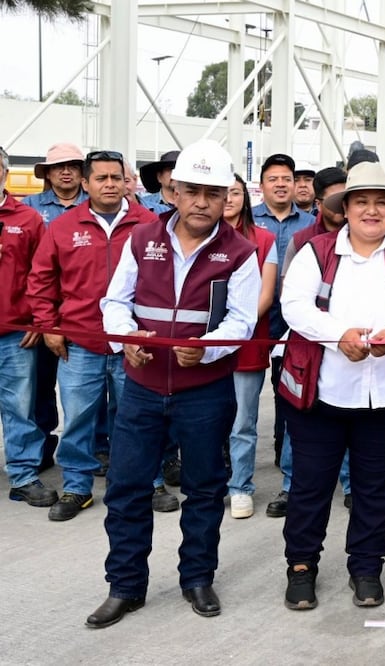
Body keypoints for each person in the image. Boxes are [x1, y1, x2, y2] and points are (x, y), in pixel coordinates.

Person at [87, 140, 260, 628]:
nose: (202, 202)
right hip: (141, 388)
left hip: (205, 391)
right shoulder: (142, 239)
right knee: (126, 488)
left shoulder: (240, 252)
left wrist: (207, 348)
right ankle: (125, 586)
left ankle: (197, 578)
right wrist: (127, 340)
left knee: (204, 489)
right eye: (193, 191)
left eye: (214, 193)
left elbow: (243, 321)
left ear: (227, 197)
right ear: (174, 191)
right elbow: (115, 302)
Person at [277, 162, 385, 611]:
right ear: (345, 208)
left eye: (381, 203)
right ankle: (301, 566)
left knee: (376, 487)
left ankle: (366, 567)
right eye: (362, 202)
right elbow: (294, 305)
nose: (372, 210)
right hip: (321, 394)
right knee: (311, 486)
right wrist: (338, 336)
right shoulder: (315, 251)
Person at [28, 149, 168, 522]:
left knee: (138, 418)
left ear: (126, 182)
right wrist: (48, 326)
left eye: (116, 177)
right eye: (101, 178)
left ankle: (149, 483)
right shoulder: (63, 227)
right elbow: (41, 279)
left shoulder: (149, 224)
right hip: (80, 343)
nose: (110, 184)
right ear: (86, 183)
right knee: (77, 419)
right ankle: (77, 487)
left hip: (134, 344)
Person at [271, 166, 353, 516]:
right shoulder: (303, 241)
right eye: (335, 199)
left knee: (351, 416)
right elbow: (291, 296)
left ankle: (351, 485)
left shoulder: (370, 238)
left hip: (354, 346)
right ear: (319, 203)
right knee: (300, 417)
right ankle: (292, 486)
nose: (343, 206)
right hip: (307, 345)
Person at [252, 153, 316, 514]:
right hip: (254, 319)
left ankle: (284, 454)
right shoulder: (248, 220)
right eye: (273, 178)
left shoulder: (311, 225)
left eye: (286, 179)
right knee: (242, 397)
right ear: (262, 185)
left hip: (294, 321)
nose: (280, 184)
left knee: (289, 389)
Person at [21, 142, 88, 473]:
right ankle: (42, 447)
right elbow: (24, 268)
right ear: (47, 173)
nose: (65, 172)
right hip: (43, 311)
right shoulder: (29, 208)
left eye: (73, 166)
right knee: (40, 386)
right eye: (59, 167)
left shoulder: (96, 205)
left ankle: (97, 447)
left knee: (91, 389)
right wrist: (37, 318)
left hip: (85, 313)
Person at [0, 147, 56, 508]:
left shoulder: (28, 218)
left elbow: (43, 274)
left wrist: (39, 319)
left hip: (14, 333)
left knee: (19, 407)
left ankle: (22, 475)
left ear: (4, 172)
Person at [223, 174, 278, 518]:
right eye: (222, 193)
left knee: (243, 422)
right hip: (203, 345)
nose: (228, 199)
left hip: (246, 342)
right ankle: (210, 483)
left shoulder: (264, 239)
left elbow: (265, 296)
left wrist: (233, 331)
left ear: (245, 197)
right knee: (205, 420)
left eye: (235, 192)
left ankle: (240, 486)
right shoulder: (199, 235)